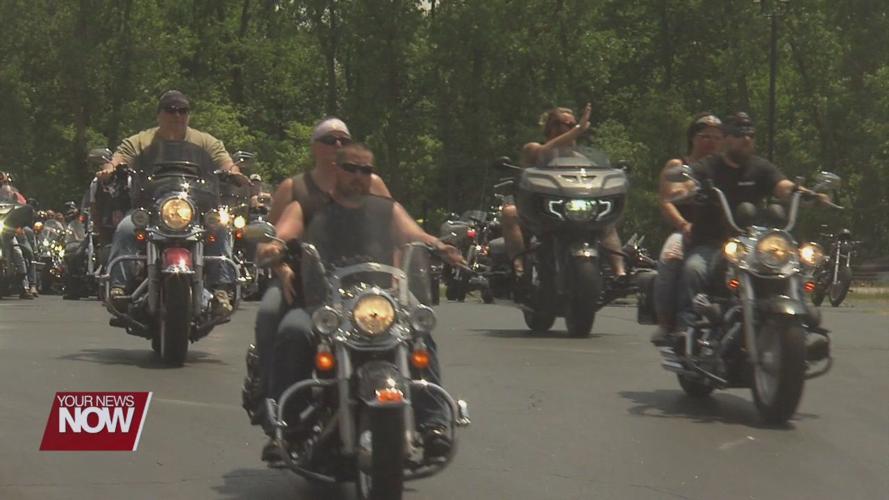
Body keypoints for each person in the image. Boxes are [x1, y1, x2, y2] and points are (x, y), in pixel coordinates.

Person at [262, 143, 463, 462]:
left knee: (419, 332)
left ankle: (433, 425)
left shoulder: (386, 209)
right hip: (323, 305)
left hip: (378, 303)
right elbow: (281, 234)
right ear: (336, 169)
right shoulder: (309, 207)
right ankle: (286, 428)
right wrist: (274, 248)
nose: (359, 176)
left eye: (366, 170)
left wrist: (441, 246)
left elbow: (415, 234)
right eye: (352, 169)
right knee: (293, 331)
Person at [250, 118, 393, 419]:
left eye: (344, 140)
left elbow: (392, 228)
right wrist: (281, 266)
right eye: (330, 140)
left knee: (417, 329)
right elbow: (273, 237)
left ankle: (429, 417)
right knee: (270, 313)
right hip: (303, 278)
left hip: (364, 285)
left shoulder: (373, 184)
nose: (338, 145)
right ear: (315, 147)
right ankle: (271, 393)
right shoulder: (295, 188)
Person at [676, 112, 830, 332]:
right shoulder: (710, 166)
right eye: (739, 134)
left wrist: (804, 193)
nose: (746, 139)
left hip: (753, 245)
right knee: (693, 270)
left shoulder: (760, 167)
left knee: (792, 269)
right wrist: (685, 189)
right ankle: (687, 329)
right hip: (711, 242)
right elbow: (689, 183)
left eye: (750, 134)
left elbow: (782, 186)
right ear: (727, 138)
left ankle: (803, 325)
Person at [99, 90, 242, 316]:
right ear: (159, 115)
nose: (177, 115)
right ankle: (118, 289)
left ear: (189, 115)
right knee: (126, 228)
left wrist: (234, 172)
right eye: (171, 110)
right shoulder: (141, 140)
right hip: (151, 207)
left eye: (183, 111)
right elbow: (119, 158)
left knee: (221, 227)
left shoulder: (205, 141)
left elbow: (225, 162)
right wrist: (110, 168)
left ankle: (222, 290)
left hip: (194, 207)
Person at [501, 103, 627, 279]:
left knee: (607, 222)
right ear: (549, 127)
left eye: (571, 125)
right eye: (561, 124)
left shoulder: (583, 159)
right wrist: (578, 129)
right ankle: (519, 267)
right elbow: (543, 153)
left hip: (574, 211)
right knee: (509, 212)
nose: (567, 129)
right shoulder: (533, 148)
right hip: (538, 213)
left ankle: (620, 273)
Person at [650, 113, 724, 345]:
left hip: (724, 234)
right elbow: (666, 200)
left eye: (716, 137)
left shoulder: (726, 166)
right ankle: (666, 323)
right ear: (692, 138)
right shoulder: (679, 165)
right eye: (704, 136)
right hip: (687, 229)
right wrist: (683, 225)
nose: (711, 141)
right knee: (670, 258)